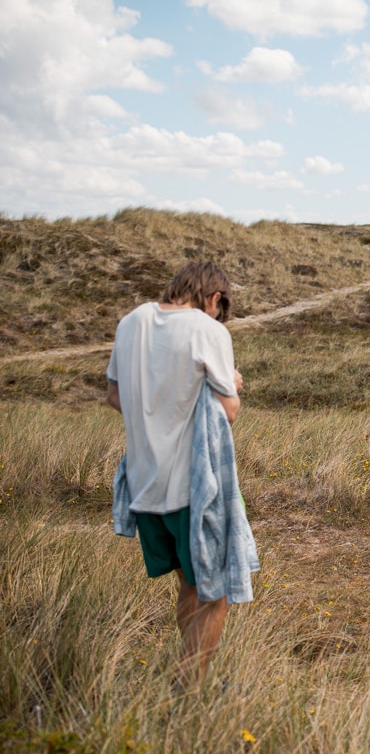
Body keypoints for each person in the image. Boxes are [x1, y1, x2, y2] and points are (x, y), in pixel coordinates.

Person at [107, 261, 258, 687]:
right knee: (216, 595)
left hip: (143, 485)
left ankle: (196, 677)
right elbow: (228, 411)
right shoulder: (207, 330)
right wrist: (231, 382)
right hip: (193, 488)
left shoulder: (131, 321)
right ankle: (185, 689)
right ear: (214, 298)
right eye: (219, 309)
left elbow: (115, 394)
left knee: (190, 587)